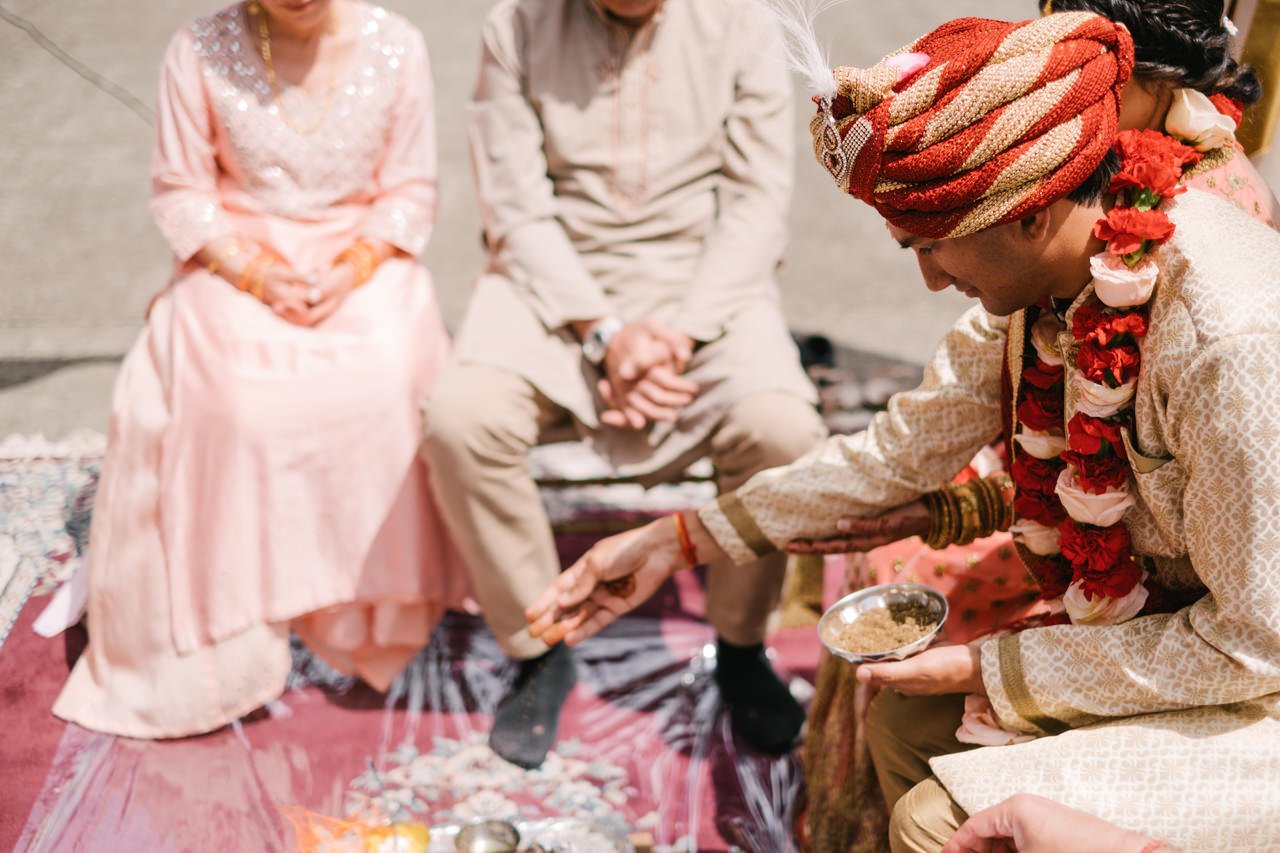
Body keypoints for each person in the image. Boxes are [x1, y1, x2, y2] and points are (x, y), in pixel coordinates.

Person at [527, 9, 1280, 852]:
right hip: (1179, 630)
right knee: (907, 721)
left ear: (1030, 214)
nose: (927, 281)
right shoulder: (1049, 281)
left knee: (941, 819)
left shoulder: (1222, 335)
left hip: (1262, 700)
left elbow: (1258, 644)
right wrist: (681, 538)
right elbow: (901, 448)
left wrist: (985, 666)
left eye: (931, 246)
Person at [419, 0, 827, 769]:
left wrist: (678, 333)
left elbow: (755, 205)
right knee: (461, 420)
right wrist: (603, 335)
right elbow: (515, 205)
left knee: (784, 431)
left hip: (700, 286)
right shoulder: (518, 23)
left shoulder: (738, 22)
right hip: (554, 285)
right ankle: (539, 642)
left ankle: (741, 646)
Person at [53, 0, 467, 738]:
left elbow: (410, 189)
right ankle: (236, 623)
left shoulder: (396, 44)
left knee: (393, 372)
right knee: (233, 401)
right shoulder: (198, 49)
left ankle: (372, 607)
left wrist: (352, 266)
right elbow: (182, 192)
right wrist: (255, 274)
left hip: (360, 255)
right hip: (239, 254)